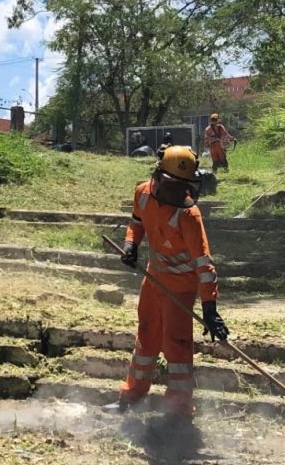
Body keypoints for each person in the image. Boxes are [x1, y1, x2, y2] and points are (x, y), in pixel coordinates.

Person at [109, 146, 229, 418]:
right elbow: (137, 223)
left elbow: (203, 264)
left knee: (177, 344)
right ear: (158, 177)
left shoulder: (189, 215)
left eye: (184, 187)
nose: (180, 193)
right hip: (154, 279)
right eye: (174, 186)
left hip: (181, 287)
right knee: (147, 337)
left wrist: (210, 308)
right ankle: (131, 396)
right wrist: (131, 246)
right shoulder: (142, 193)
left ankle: (178, 409)